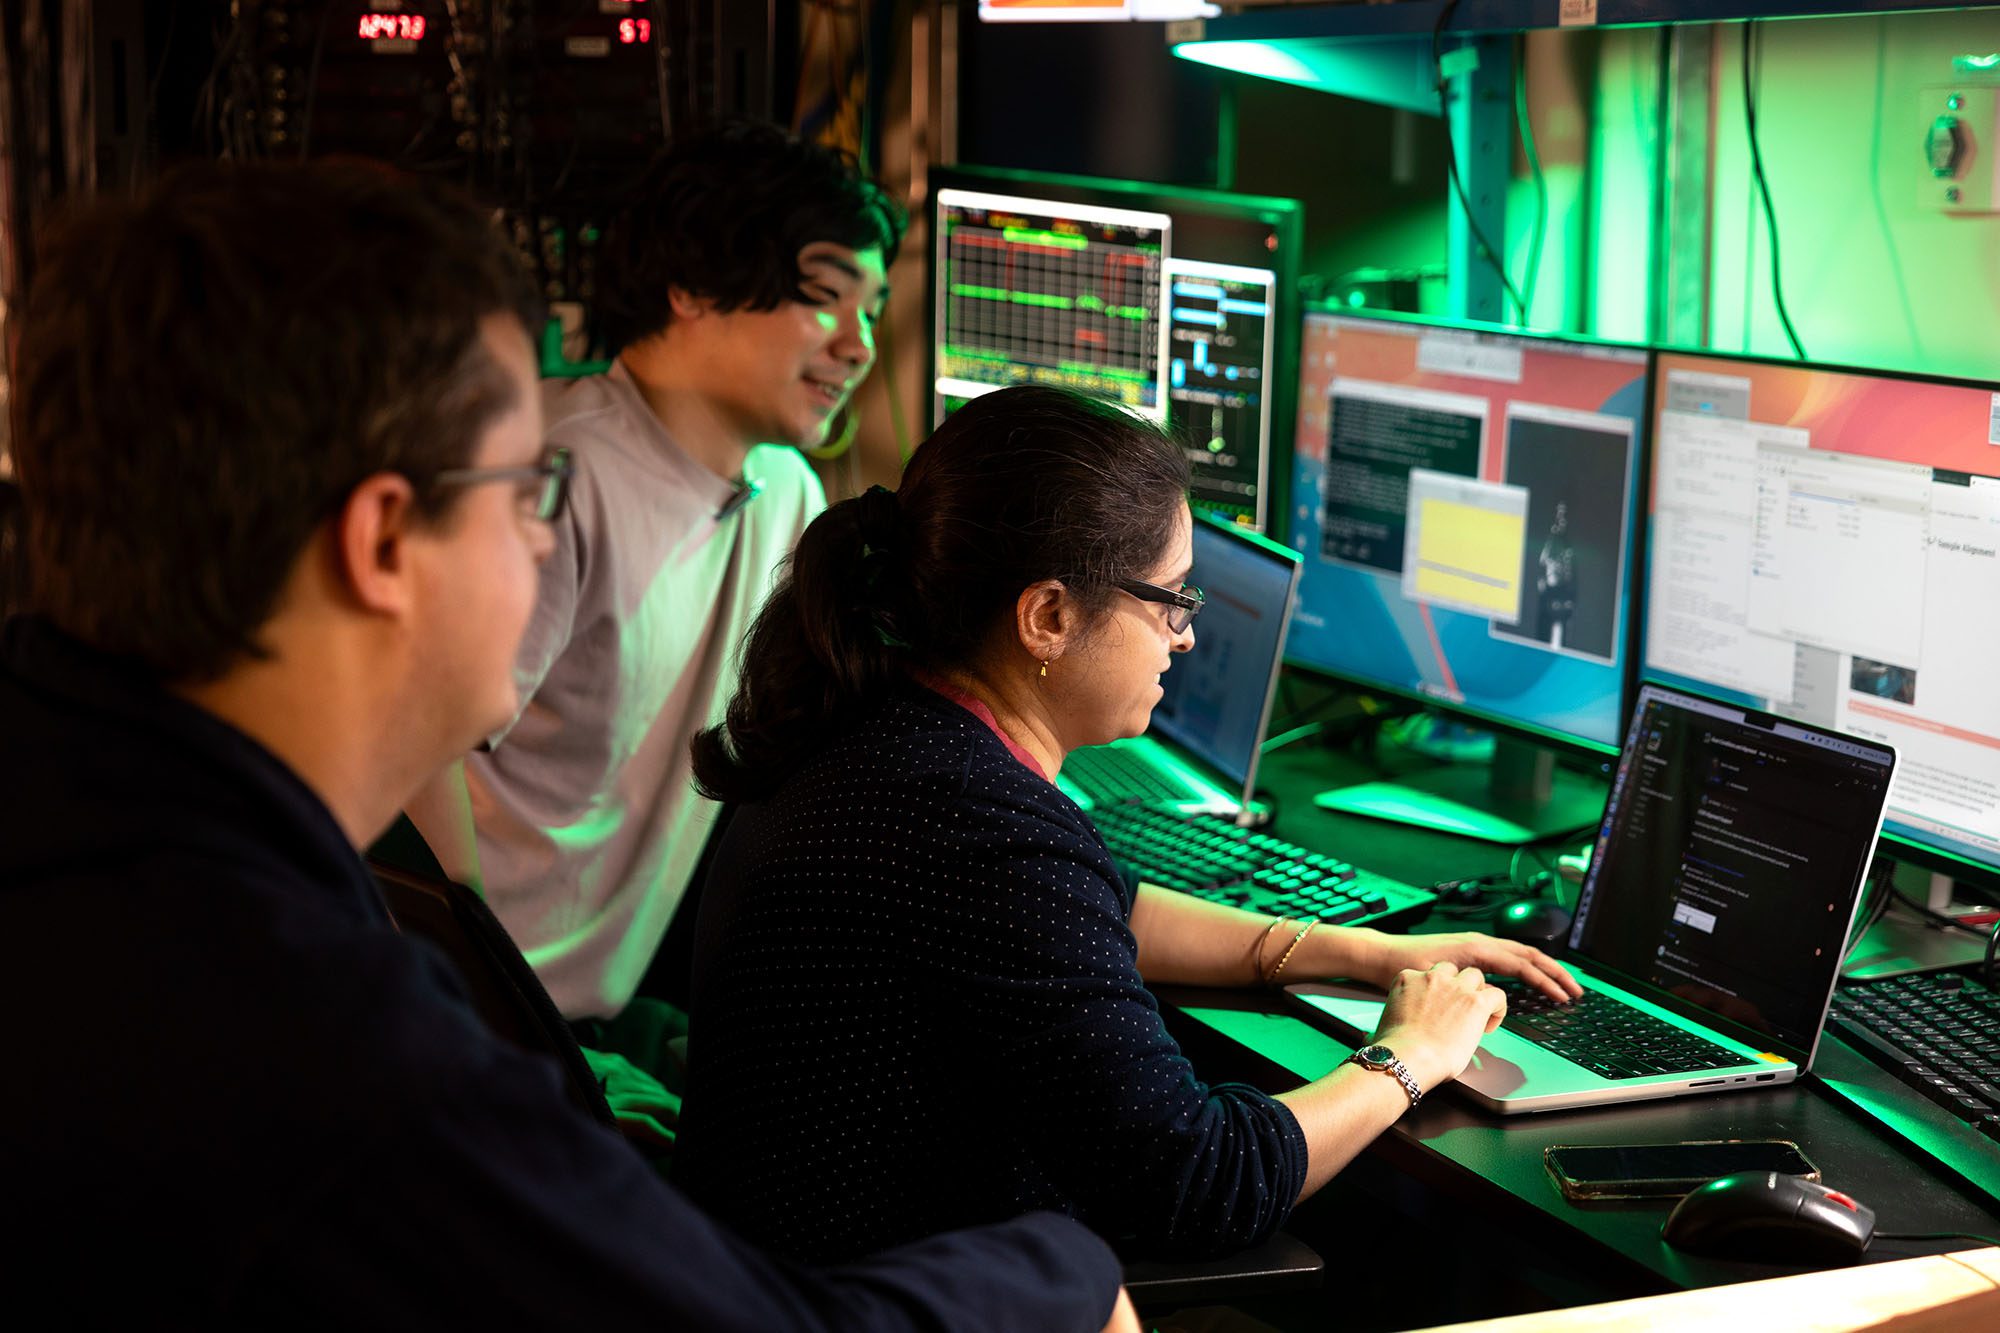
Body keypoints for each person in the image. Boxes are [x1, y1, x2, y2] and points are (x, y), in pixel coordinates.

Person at [0, 161, 1133, 1332]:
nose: (545, 541)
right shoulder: (327, 1057)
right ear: (384, 541)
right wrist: (1062, 1270)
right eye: (524, 488)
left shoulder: (87, 829)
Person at [676, 384, 1583, 1264]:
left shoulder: (882, 727)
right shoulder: (984, 831)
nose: (1185, 635)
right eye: (1172, 599)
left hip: (773, 1273)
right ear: (1048, 616)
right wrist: (1411, 1053)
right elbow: (1199, 1180)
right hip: (889, 1301)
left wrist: (1358, 951)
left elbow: (1109, 907)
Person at [406, 121, 900, 1048]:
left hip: (590, 1014)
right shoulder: (559, 479)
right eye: (830, 299)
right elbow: (413, 758)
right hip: (473, 1017)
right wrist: (509, 1045)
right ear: (692, 288)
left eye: (871, 310)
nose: (861, 344)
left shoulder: (785, 489)